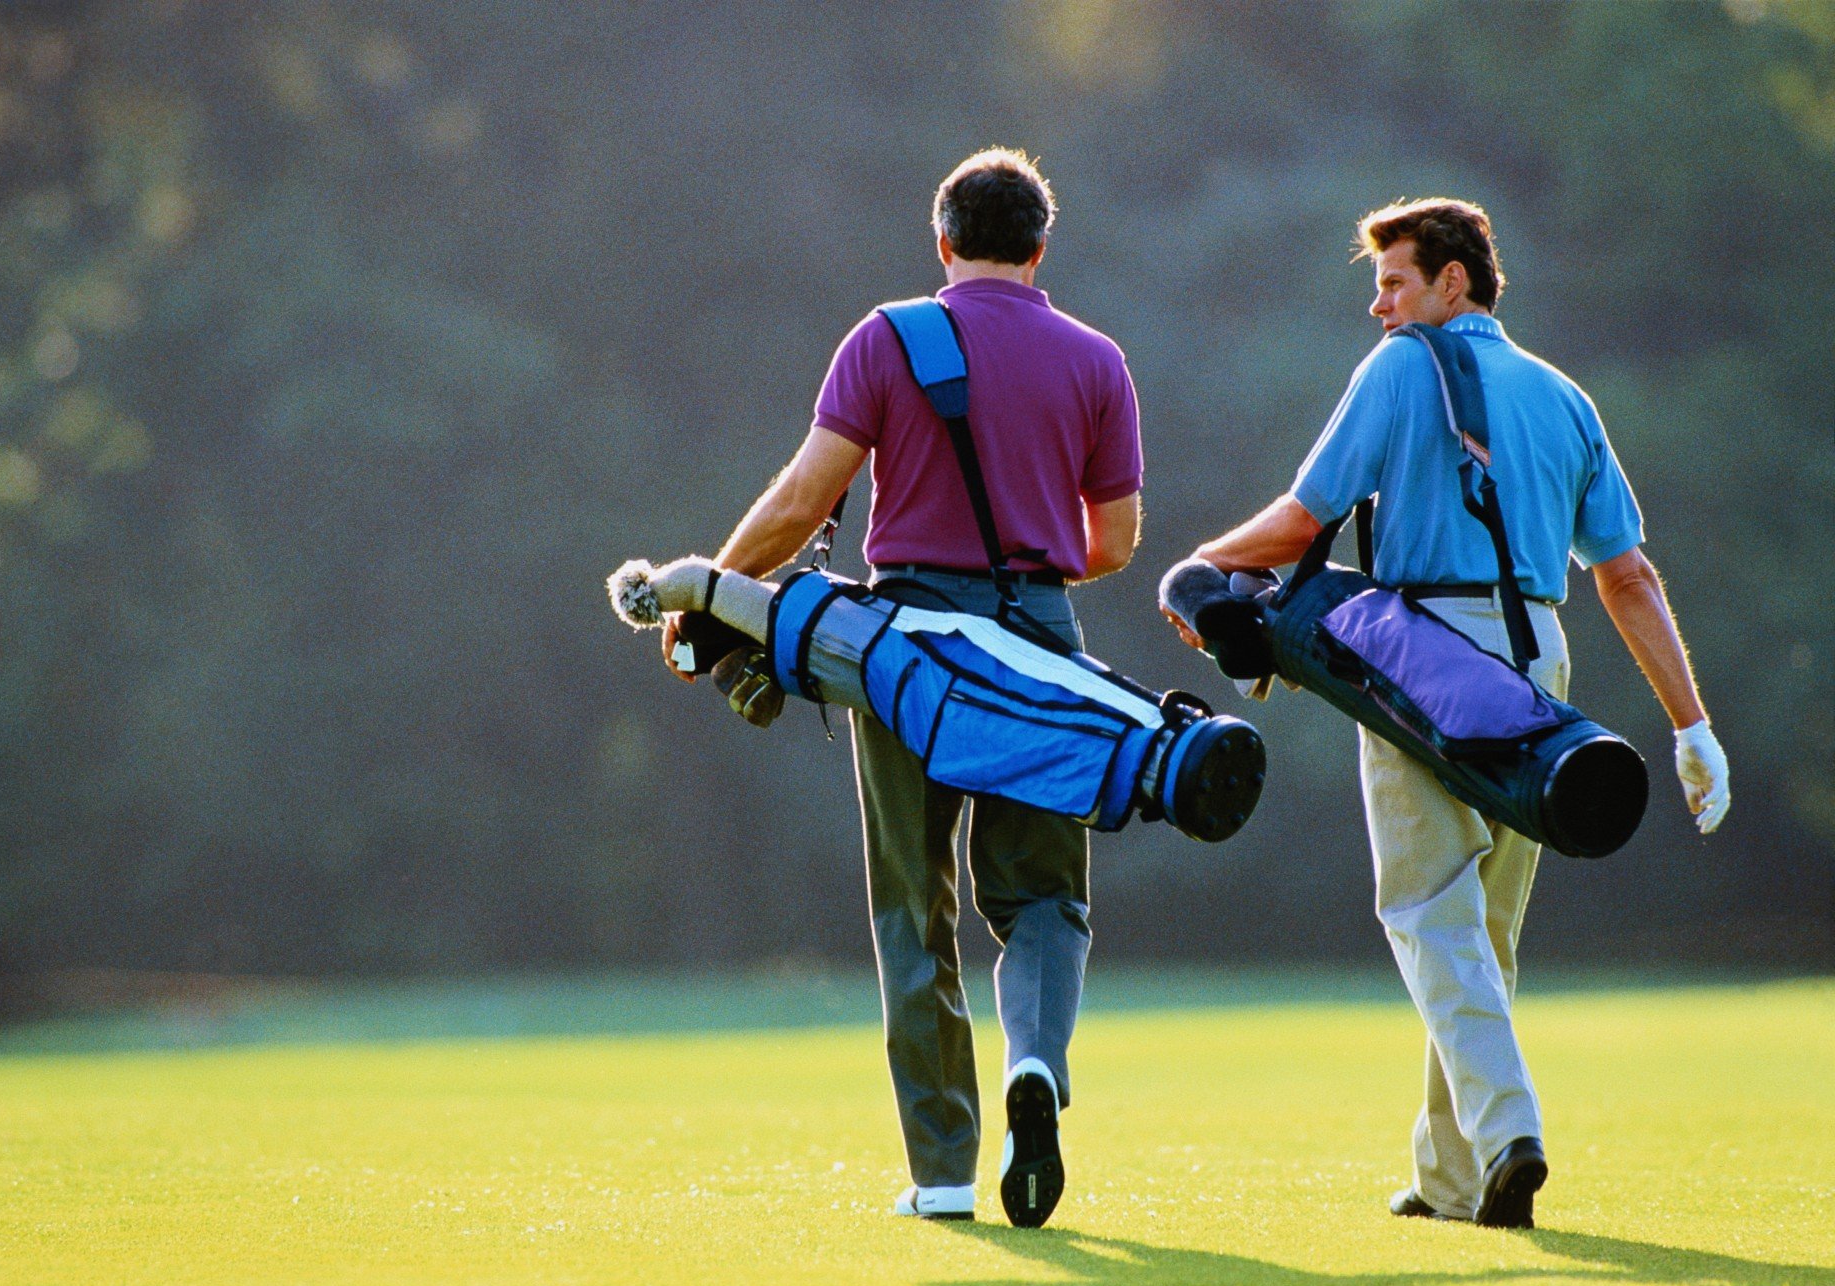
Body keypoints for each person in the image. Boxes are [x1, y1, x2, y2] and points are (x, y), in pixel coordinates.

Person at [1166, 198, 1729, 1228]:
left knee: (1426, 911)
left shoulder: (1397, 368)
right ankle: (1449, 1176)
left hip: (1418, 656)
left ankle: (1508, 1131)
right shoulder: (1564, 397)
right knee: (1484, 933)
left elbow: (1301, 517)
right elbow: (1627, 576)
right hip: (1536, 666)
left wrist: (1200, 565)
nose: (1376, 306)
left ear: (1451, 281)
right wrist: (1691, 726)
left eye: (1391, 281)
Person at [661, 148, 1143, 1226]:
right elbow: (1110, 543)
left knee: (912, 905)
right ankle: (1036, 1066)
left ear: (941, 242)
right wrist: (1022, 548)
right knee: (1043, 898)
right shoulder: (1096, 360)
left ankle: (939, 1174)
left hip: (906, 649)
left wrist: (711, 594)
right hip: (1038, 647)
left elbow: (801, 500)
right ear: (1039, 246)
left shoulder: (886, 339)